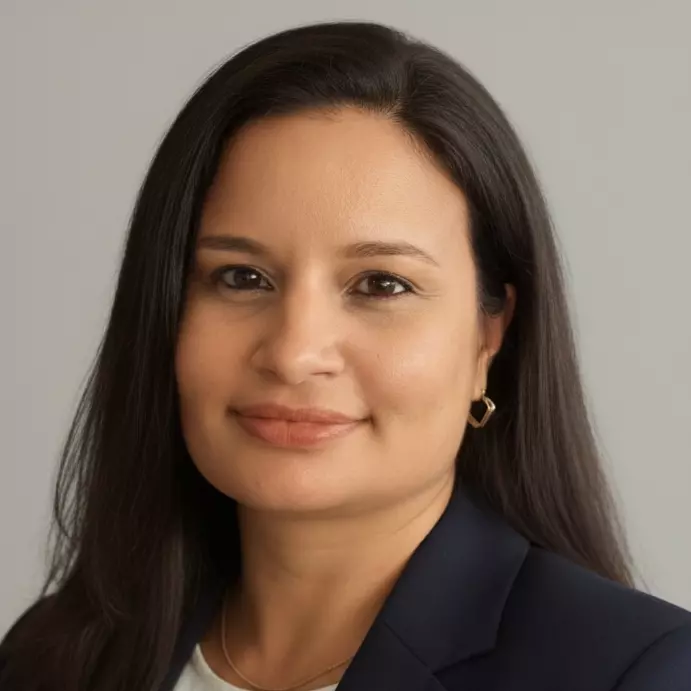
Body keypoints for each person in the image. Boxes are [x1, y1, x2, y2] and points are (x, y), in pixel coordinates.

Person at [1, 19, 690, 691]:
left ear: (489, 335)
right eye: (241, 277)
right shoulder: (53, 655)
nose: (294, 353)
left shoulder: (634, 672)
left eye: (381, 284)